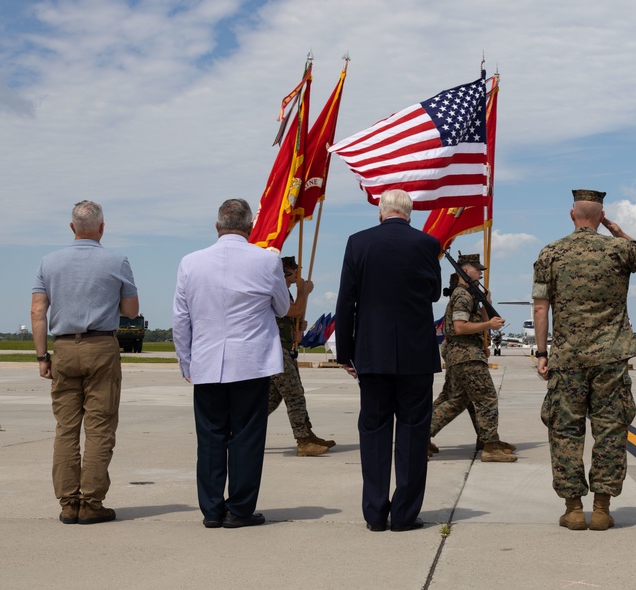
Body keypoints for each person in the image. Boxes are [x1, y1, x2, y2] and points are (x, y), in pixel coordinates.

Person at [533, 189, 636, 531]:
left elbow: (539, 307)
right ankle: (603, 508)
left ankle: (574, 508)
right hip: (611, 358)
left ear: (572, 215)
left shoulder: (551, 253)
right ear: (601, 216)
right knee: (610, 431)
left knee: (565, 431)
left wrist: (542, 352)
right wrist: (621, 233)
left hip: (567, 358)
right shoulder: (620, 249)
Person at [173, 198, 292, 529]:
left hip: (207, 362)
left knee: (210, 437)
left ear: (217, 226)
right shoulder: (267, 261)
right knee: (247, 437)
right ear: (250, 227)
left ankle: (211, 510)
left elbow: (180, 319)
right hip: (251, 363)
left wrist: (187, 363)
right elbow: (282, 308)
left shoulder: (190, 263)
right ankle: (239, 509)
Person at [335, 189, 442, 532]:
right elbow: (433, 292)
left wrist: (344, 352)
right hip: (415, 353)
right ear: (410, 214)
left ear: (380, 211)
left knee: (374, 431)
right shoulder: (427, 244)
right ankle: (405, 515)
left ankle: (376, 512)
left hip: (372, 352)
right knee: (413, 432)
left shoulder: (358, 242)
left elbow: (346, 300)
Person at [31, 200, 139, 525]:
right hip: (101, 348)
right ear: (102, 228)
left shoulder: (48, 263)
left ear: (72, 228)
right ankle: (92, 503)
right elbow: (132, 311)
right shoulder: (117, 261)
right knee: (99, 428)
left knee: (66, 429)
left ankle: (68, 504)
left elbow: (38, 311)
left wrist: (41, 357)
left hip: (63, 348)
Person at [429, 257, 517, 462]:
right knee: (485, 398)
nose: (481, 273)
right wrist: (488, 326)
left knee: (456, 398)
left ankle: (487, 439)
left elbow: (479, 322)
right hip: (466, 356)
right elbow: (460, 327)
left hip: (465, 354)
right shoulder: (462, 296)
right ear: (465, 271)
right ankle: (490, 446)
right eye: (477, 270)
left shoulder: (469, 295)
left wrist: (487, 303)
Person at [268, 256, 337, 457]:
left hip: (285, 348)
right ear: (285, 273)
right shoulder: (276, 290)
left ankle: (236, 430)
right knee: (294, 394)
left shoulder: (284, 292)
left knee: (270, 400)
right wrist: (303, 292)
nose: (298, 274)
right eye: (294, 270)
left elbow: (294, 315)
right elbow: (295, 309)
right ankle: (303, 440)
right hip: (276, 350)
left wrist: (298, 327)